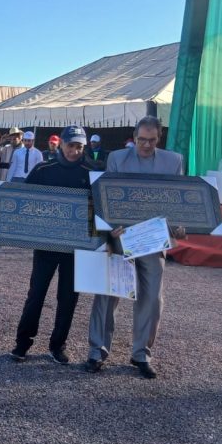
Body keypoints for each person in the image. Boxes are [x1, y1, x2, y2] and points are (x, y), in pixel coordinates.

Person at [85, 116, 186, 379]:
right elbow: (106, 195)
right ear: (134, 136)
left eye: (152, 140)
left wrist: (179, 224)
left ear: (159, 138)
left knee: (152, 298)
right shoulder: (117, 158)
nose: (146, 145)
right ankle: (97, 351)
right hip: (121, 237)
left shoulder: (173, 161)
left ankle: (142, 354)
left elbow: (177, 200)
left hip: (153, 239)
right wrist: (110, 226)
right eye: (142, 140)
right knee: (107, 293)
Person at [11, 125, 95, 363]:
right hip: (46, 245)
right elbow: (22, 200)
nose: (74, 151)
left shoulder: (92, 173)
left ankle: (58, 345)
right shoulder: (43, 169)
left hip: (75, 248)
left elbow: (101, 207)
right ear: (61, 144)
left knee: (68, 298)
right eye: (70, 145)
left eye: (79, 147)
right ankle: (23, 343)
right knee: (36, 294)